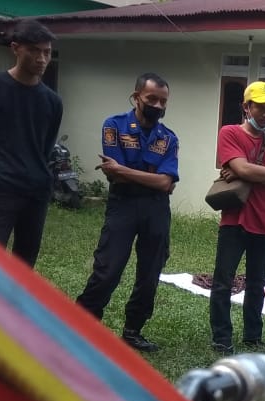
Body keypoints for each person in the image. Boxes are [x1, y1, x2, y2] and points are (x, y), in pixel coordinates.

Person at [75, 73, 178, 353]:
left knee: (150, 273)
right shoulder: (114, 126)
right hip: (123, 205)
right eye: (152, 99)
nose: (158, 105)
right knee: (108, 268)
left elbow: (166, 183)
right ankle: (82, 325)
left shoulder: (168, 138)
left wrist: (123, 170)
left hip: (156, 209)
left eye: (163, 101)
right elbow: (114, 176)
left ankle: (133, 331)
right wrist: (147, 177)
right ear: (136, 97)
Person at [0, 20, 63, 268]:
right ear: (15, 48)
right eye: (34, 50)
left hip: (37, 190)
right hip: (1, 187)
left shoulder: (53, 102)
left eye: (47, 52)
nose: (42, 58)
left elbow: (45, 146)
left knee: (24, 264)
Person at [209, 81, 265, 354]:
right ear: (246, 107)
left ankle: (253, 336)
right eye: (260, 107)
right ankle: (221, 337)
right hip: (235, 219)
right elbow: (249, 170)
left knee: (258, 283)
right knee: (223, 280)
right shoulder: (229, 133)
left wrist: (246, 171)